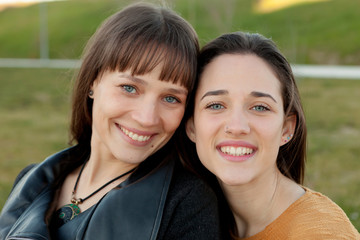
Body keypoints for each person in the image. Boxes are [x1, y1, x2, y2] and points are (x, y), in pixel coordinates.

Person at [0, 3, 222, 240]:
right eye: (130, 88)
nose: (146, 118)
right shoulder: (32, 181)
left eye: (170, 98)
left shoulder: (186, 204)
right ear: (93, 81)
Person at [180, 31, 360, 239]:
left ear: (286, 128)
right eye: (216, 105)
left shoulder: (320, 234)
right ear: (192, 125)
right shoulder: (192, 219)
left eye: (259, 107)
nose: (237, 126)